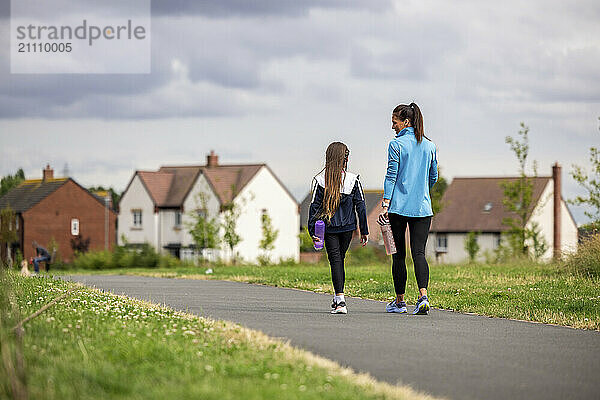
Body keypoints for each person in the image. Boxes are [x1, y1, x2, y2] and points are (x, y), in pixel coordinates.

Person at [380, 103, 438, 315]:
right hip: (423, 208)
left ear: (406, 122)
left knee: (398, 255)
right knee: (419, 253)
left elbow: (391, 176)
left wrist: (385, 204)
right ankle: (423, 296)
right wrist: (421, 190)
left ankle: (400, 301)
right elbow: (434, 177)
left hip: (398, 207)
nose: (392, 126)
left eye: (394, 122)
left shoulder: (395, 145)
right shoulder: (429, 146)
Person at [308, 142, 369, 314]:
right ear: (346, 159)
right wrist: (364, 230)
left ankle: (340, 300)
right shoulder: (353, 179)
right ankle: (337, 298)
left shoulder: (320, 181)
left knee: (336, 260)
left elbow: (314, 208)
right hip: (348, 228)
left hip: (329, 229)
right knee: (339, 260)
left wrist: (312, 231)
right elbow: (361, 206)